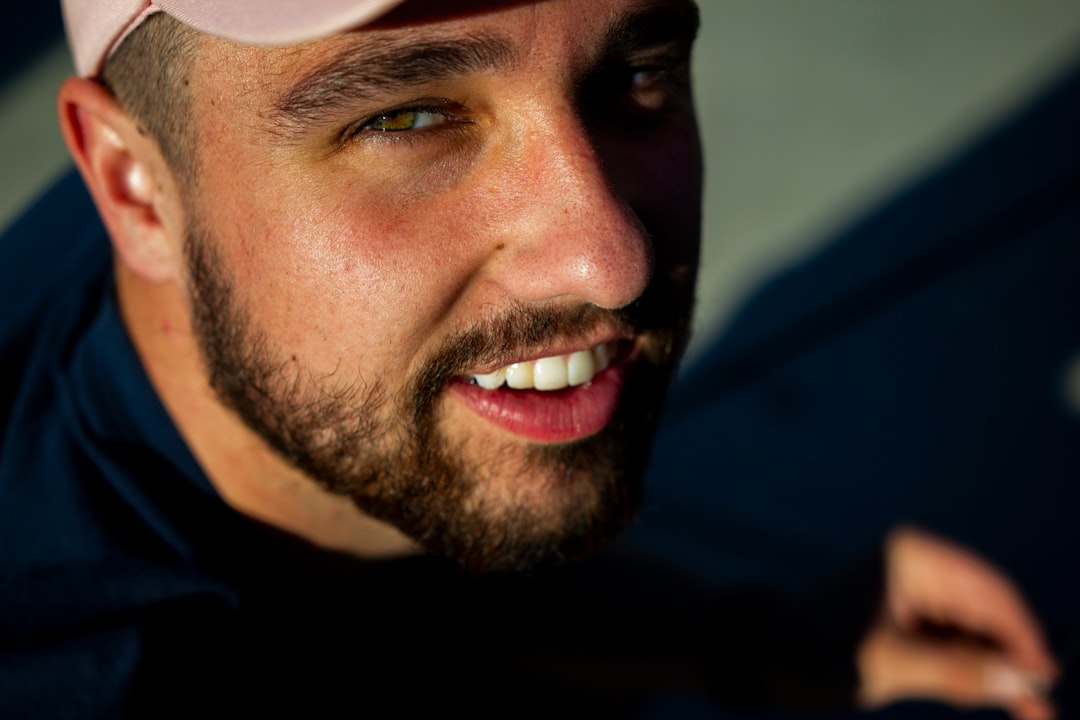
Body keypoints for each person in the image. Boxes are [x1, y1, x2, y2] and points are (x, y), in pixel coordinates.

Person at [0, 0, 1060, 717]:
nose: (611, 258)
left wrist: (755, 644)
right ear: (132, 183)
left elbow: (386, 577)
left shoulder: (189, 240)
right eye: (408, 117)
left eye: (636, 70)